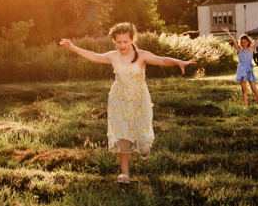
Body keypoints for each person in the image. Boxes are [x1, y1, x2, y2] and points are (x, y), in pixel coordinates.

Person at [60, 22, 196, 184]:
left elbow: (162, 60)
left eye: (125, 41)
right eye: (118, 42)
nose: (122, 45)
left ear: (132, 40)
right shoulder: (113, 56)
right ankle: (125, 173)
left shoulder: (142, 55)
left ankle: (144, 147)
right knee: (122, 134)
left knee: (141, 132)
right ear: (114, 41)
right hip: (119, 99)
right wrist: (74, 48)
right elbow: (95, 57)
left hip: (139, 99)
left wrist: (178, 62)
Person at [223, 26, 258, 108]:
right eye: (242, 42)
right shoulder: (239, 50)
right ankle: (246, 106)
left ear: (248, 42)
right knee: (244, 89)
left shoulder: (251, 49)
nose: (243, 44)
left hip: (249, 69)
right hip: (241, 69)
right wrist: (228, 32)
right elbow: (233, 40)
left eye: (245, 42)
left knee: (254, 88)